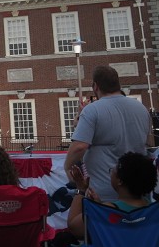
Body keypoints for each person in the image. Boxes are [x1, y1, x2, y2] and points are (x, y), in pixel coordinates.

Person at [64, 66, 151, 202]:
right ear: (118, 84)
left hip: (104, 194)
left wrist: (67, 167)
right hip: (138, 193)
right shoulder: (141, 109)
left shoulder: (92, 110)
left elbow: (79, 146)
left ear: (95, 86)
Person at [66, 152, 157, 241]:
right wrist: (100, 205)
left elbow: (74, 228)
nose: (111, 172)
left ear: (120, 181)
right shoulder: (154, 211)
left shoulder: (105, 211)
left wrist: (81, 190)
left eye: (112, 170)